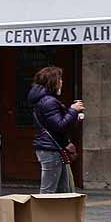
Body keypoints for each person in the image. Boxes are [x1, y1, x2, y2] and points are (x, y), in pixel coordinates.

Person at [28, 66, 84, 194]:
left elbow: (54, 126)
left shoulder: (45, 100)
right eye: (60, 79)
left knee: (63, 189)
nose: (62, 82)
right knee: (49, 190)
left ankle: (60, 214)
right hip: (50, 150)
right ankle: (43, 214)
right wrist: (73, 110)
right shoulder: (49, 102)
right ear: (53, 81)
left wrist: (74, 116)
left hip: (54, 148)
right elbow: (59, 126)